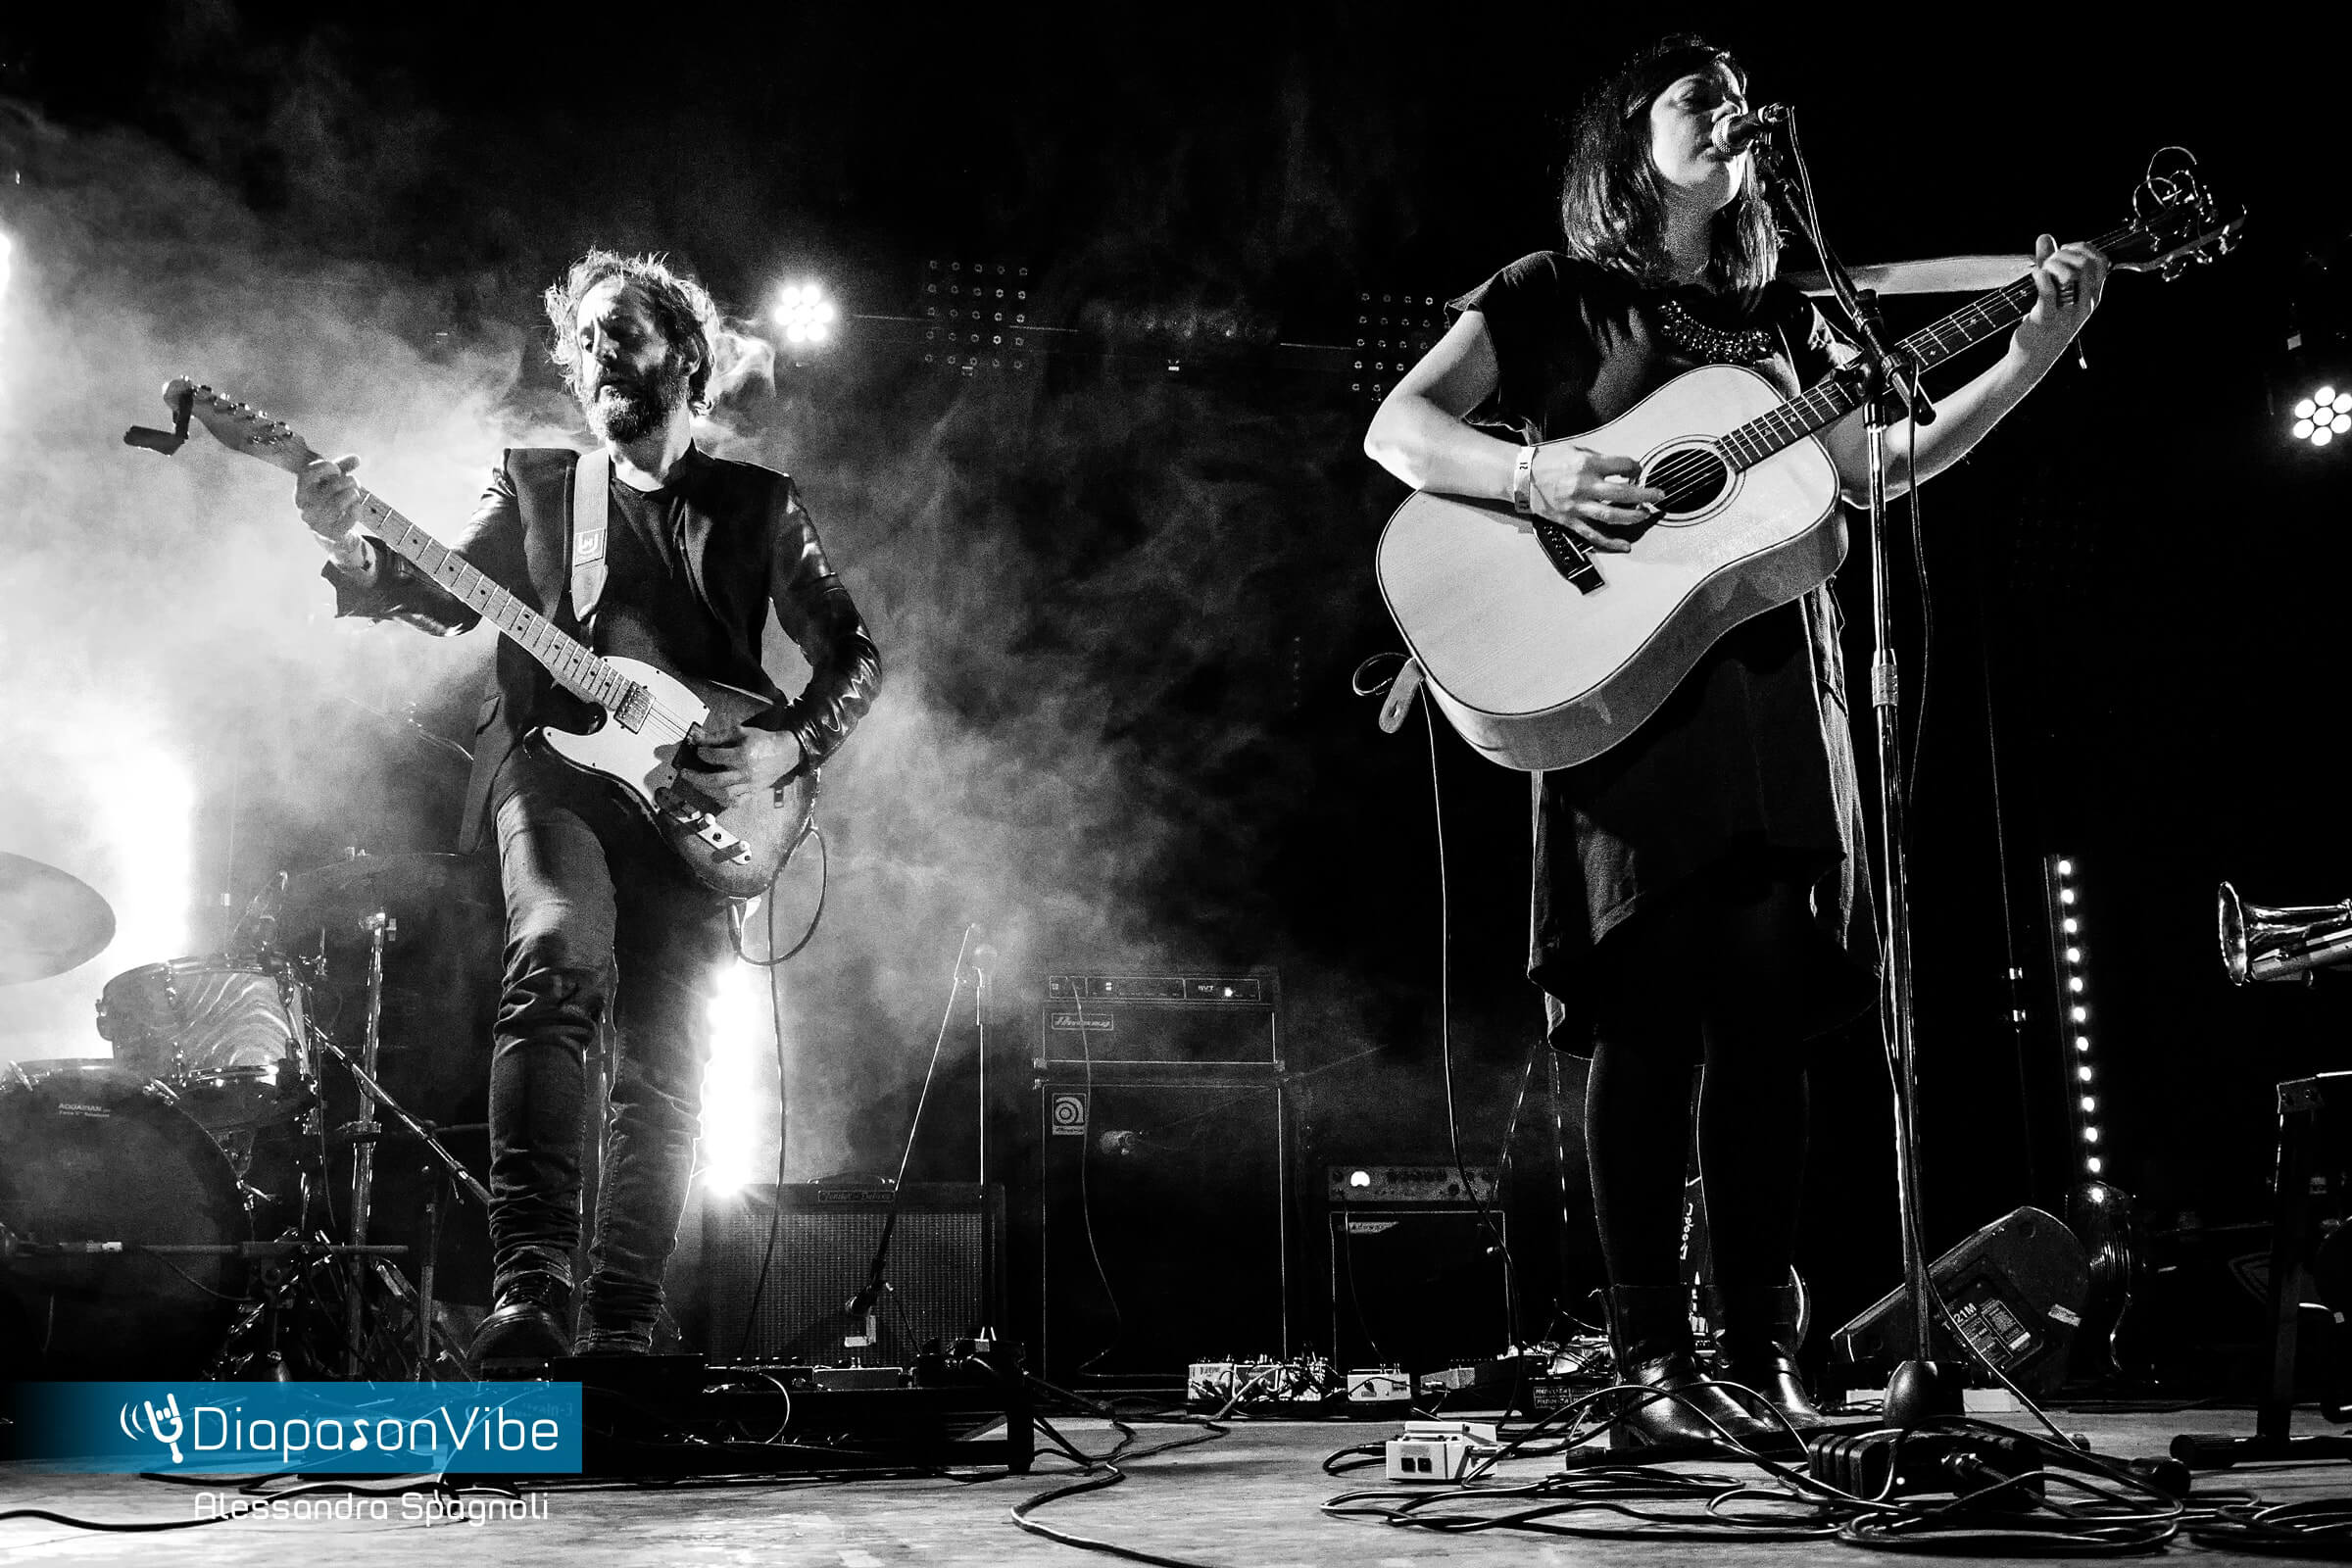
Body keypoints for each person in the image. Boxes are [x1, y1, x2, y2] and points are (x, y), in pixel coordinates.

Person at [1362, 36, 2107, 1446]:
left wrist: (2028, 358)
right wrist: (1536, 474)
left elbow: (1875, 468)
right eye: (1694, 93)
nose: (1729, 108)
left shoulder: (1784, 323)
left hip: (1772, 701)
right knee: (1648, 1020)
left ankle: (1760, 1345)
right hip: (1623, 690)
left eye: (1736, 89)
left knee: (1767, 1030)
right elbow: (1400, 431)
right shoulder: (1552, 292)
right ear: (1627, 140)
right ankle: (1651, 1358)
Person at [296, 251, 881, 1363]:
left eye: (625, 333)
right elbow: (441, 590)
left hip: (698, 797)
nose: (601, 352)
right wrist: (348, 542)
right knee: (557, 954)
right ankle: (529, 1290)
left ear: (688, 356)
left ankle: (621, 1320)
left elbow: (853, 654)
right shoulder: (538, 484)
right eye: (587, 339)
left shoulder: (758, 504)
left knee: (669, 1053)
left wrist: (788, 742)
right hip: (554, 769)